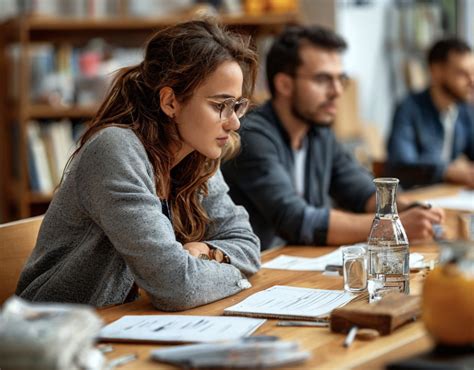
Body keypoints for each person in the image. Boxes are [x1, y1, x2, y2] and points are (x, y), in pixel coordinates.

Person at [16, 20, 261, 310]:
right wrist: (235, 275)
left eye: (237, 105)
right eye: (220, 105)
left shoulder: (198, 155)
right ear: (170, 102)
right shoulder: (115, 150)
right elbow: (176, 286)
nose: (234, 122)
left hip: (126, 326)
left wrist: (208, 251)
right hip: (57, 335)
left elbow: (247, 245)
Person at [222, 25, 444, 251]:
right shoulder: (251, 136)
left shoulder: (318, 131)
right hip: (258, 273)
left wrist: (405, 208)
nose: (337, 91)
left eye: (340, 79)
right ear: (284, 84)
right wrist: (391, 225)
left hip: (297, 269)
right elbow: (295, 220)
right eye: (323, 79)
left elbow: (360, 192)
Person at [387, 37, 474, 189]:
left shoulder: (463, 110)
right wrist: (449, 171)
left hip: (448, 195)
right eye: (462, 73)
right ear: (436, 71)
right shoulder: (409, 108)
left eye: (473, 73)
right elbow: (402, 165)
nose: (471, 81)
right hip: (415, 197)